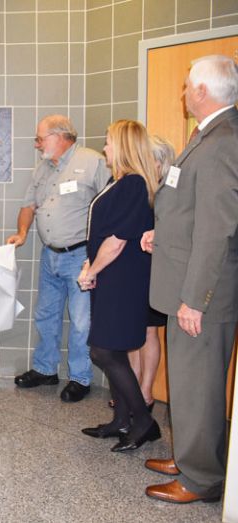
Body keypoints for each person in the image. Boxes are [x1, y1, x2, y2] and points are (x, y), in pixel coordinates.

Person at [143, 55, 238, 504]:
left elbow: (217, 228)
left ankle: (201, 479)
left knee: (199, 385)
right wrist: (161, 235)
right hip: (184, 283)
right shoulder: (206, 136)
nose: (182, 93)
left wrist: (196, 299)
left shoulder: (223, 142)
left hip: (203, 295)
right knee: (185, 381)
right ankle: (190, 458)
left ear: (203, 91)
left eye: (187, 87)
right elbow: (193, 212)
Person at [7, 115, 110, 402]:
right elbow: (29, 205)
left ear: (61, 136)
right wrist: (22, 232)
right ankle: (45, 369)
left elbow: (111, 203)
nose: (37, 144)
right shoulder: (43, 168)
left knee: (80, 321)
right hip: (49, 255)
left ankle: (80, 377)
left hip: (80, 255)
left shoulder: (92, 162)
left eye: (41, 138)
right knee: (46, 315)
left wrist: (99, 256)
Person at [77, 120, 160, 452]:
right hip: (110, 276)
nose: (105, 147)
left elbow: (117, 241)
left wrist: (92, 269)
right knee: (113, 350)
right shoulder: (118, 181)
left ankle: (143, 421)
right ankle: (122, 420)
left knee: (105, 350)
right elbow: (100, 235)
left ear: (124, 146)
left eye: (109, 142)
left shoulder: (134, 185)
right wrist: (90, 264)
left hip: (122, 279)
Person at [127, 136, 174, 409]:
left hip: (155, 269)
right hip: (134, 267)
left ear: (156, 161)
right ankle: (130, 387)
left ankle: (146, 392)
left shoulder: (168, 191)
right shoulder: (139, 186)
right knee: (133, 331)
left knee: (148, 332)